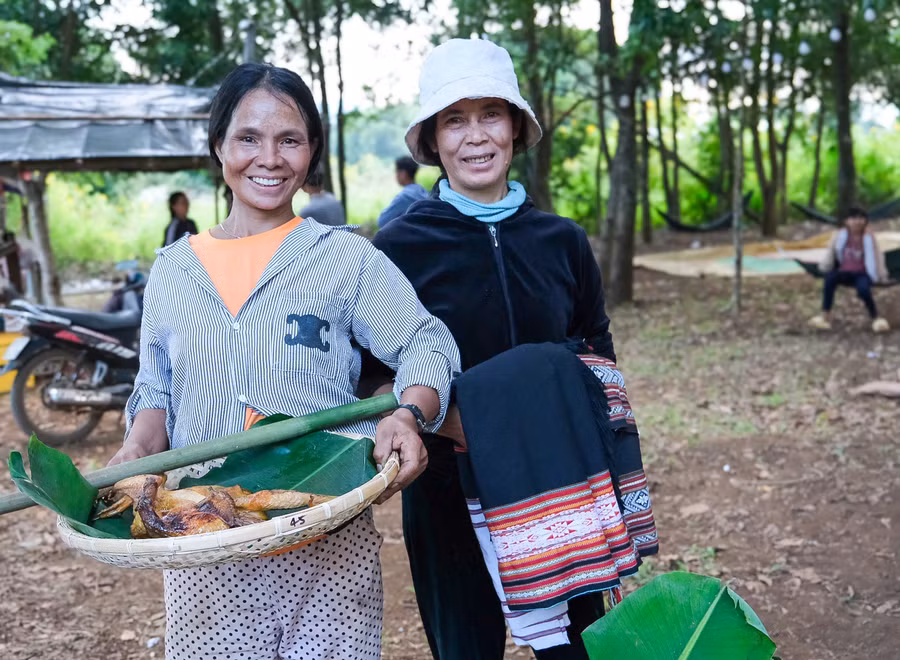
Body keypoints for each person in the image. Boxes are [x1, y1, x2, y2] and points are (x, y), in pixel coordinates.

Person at [108, 62, 460, 660]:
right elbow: (156, 389)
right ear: (218, 145)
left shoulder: (343, 256)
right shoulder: (172, 269)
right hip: (204, 544)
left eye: (289, 139)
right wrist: (138, 451)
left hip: (326, 531)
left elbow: (425, 342)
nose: (268, 158)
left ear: (311, 152)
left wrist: (408, 414)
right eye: (248, 137)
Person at [364, 38, 657, 660]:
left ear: (516, 128)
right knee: (466, 646)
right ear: (434, 140)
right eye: (455, 119)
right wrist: (444, 422)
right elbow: (371, 377)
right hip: (446, 487)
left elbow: (596, 356)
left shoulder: (562, 241)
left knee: (576, 647)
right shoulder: (398, 247)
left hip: (561, 488)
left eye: (490, 115)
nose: (475, 136)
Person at [808, 206, 890, 333]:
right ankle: (825, 315)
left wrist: (882, 275)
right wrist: (823, 267)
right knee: (829, 279)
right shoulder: (839, 235)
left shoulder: (869, 237)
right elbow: (831, 253)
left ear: (865, 221)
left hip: (862, 274)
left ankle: (876, 318)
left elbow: (878, 257)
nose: (858, 221)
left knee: (863, 290)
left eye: (861, 218)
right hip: (843, 272)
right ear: (847, 221)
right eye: (854, 218)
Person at [376, 156, 427, 228]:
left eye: (397, 172)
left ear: (403, 173)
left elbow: (382, 221)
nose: (396, 175)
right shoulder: (423, 191)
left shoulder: (405, 197)